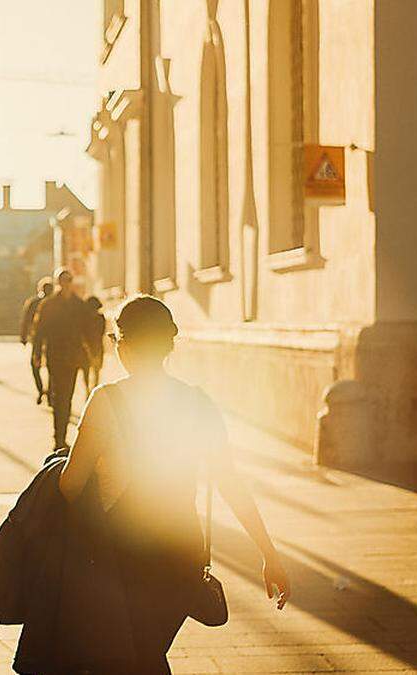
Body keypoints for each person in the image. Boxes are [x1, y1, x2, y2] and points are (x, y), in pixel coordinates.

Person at [23, 295, 290, 673]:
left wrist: (64, 467)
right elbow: (230, 481)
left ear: (123, 346)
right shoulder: (199, 403)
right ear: (168, 345)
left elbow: (70, 486)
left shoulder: (106, 400)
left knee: (129, 658)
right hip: (182, 554)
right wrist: (269, 554)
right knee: (145, 653)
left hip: (120, 555)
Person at [33, 268, 89, 450]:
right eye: (63, 281)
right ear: (59, 283)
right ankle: (58, 438)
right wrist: (37, 353)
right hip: (55, 356)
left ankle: (61, 436)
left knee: (67, 396)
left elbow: (86, 330)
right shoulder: (49, 305)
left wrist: (92, 353)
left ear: (71, 282)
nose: (66, 284)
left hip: (72, 357)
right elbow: (39, 330)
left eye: (68, 280)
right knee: (59, 397)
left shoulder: (79, 305)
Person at [20, 277, 53, 405]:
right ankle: (48, 392)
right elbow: (26, 320)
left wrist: (23, 337)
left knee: (36, 366)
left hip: (39, 339)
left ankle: (42, 390)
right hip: (47, 339)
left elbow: (25, 321)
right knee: (50, 367)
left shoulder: (33, 302)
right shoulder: (50, 303)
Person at [81, 295, 106, 394]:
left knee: (86, 369)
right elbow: (101, 333)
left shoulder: (84, 319)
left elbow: (82, 333)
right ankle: (93, 388)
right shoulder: (101, 317)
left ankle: (88, 389)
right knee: (95, 370)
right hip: (97, 346)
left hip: (87, 346)